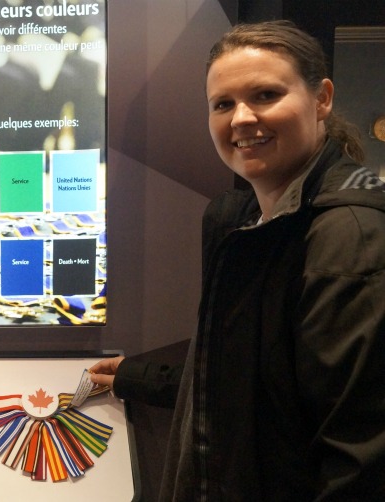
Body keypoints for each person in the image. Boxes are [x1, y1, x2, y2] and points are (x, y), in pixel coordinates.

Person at [90, 20, 385, 500]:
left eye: (266, 95)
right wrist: (137, 377)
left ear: (322, 98)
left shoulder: (351, 239)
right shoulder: (243, 220)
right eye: (223, 104)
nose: (242, 119)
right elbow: (245, 382)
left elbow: (360, 463)